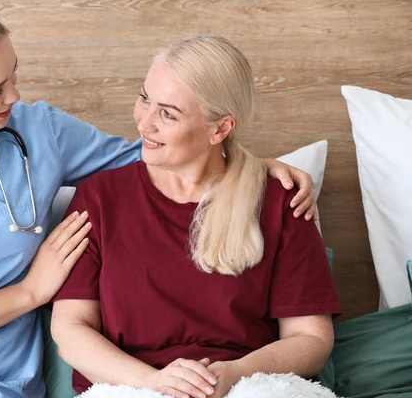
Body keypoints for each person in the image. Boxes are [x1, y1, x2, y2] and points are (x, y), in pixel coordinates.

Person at [0, 1, 317, 398]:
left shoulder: (38, 130)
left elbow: (152, 157)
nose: (14, 96)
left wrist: (254, 165)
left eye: (14, 74)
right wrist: (32, 292)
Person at [51, 35, 341, 398]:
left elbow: (311, 339)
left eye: (168, 113)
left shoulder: (281, 201)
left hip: (249, 385)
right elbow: (71, 330)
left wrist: (236, 373)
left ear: (220, 129)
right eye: (144, 99)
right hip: (130, 386)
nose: (145, 123)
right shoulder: (99, 197)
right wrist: (153, 382)